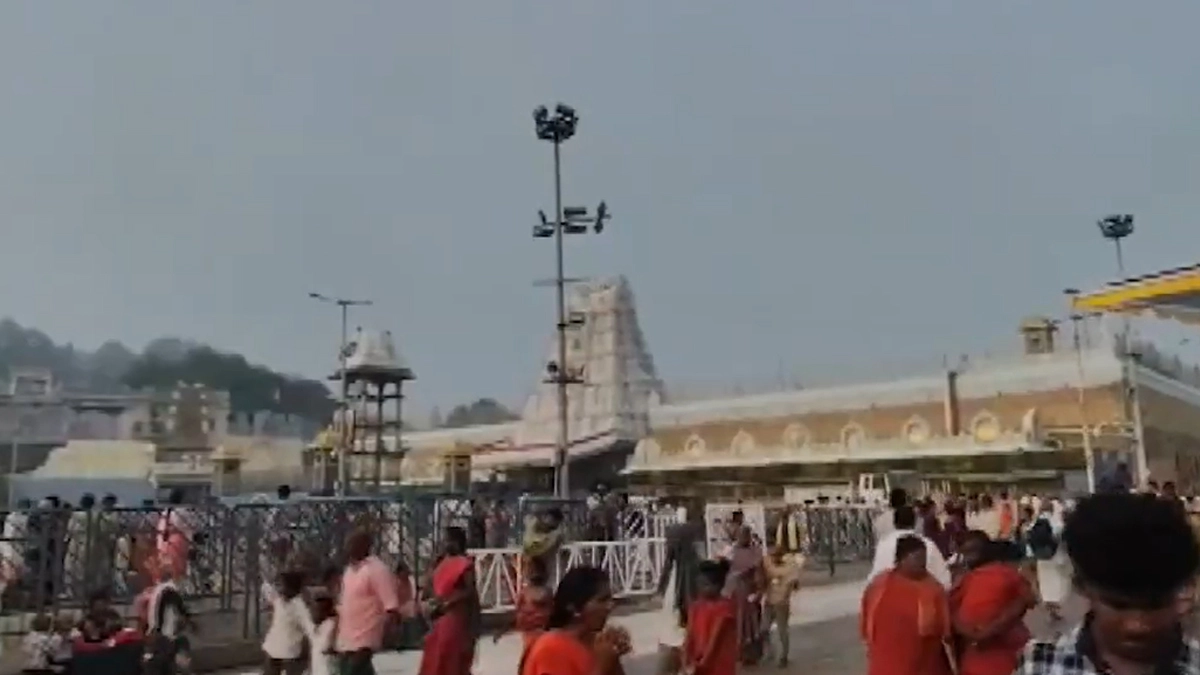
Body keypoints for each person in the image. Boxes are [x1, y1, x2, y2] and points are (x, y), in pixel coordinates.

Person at [1015, 492, 1200, 674]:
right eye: (1118, 605)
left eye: (1154, 605)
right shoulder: (1041, 665)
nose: (1137, 626)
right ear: (1082, 586)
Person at [860, 534, 953, 675]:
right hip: (885, 662)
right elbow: (866, 617)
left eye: (924, 559)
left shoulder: (933, 588)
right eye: (917, 559)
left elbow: (945, 630)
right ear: (900, 559)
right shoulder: (879, 585)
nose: (922, 563)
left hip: (923, 664)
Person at [950, 530, 1035, 675]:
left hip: (999, 653)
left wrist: (987, 631)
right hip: (985, 655)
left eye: (973, 551)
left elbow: (1028, 600)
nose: (969, 558)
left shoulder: (1005, 574)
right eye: (966, 553)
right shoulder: (965, 579)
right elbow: (951, 614)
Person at [519, 565, 628, 675]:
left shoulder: (593, 644)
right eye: (602, 600)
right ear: (574, 608)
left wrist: (613, 657)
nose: (610, 606)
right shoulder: (552, 648)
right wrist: (603, 664)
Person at [336, 529, 403, 675]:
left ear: (366, 545)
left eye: (352, 543)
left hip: (366, 639)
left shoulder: (377, 570)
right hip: (347, 640)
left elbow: (391, 607)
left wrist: (388, 635)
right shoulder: (348, 571)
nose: (348, 547)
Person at [419, 526, 481, 675]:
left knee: (451, 662)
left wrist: (450, 601)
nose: (445, 544)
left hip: (455, 619)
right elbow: (429, 589)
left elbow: (470, 592)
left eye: (448, 540)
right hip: (438, 619)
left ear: (457, 542)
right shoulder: (440, 563)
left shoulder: (465, 564)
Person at [655, 507, 703, 674]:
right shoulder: (697, 530)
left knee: (674, 626)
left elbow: (668, 561)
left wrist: (661, 587)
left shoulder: (673, 532)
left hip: (678, 580)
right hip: (693, 579)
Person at [870, 505, 951, 588]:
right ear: (915, 522)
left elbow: (874, 578)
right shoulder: (927, 544)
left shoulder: (883, 544)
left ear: (894, 523)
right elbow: (944, 580)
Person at [684, 560, 737, 675]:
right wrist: (685, 660)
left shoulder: (725, 607)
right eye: (699, 584)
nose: (700, 589)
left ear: (718, 586)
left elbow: (715, 639)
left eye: (705, 585)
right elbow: (689, 636)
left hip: (718, 663)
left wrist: (702, 664)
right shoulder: (696, 607)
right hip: (699, 661)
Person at [723, 525, 765, 665]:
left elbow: (759, 573)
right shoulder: (731, 551)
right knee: (738, 624)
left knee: (752, 625)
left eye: (745, 535)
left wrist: (758, 591)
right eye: (741, 535)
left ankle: (752, 654)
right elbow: (725, 571)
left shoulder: (755, 551)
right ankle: (739, 653)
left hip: (749, 593)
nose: (743, 538)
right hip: (736, 594)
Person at [261, 570, 316, 675]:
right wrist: (264, 581)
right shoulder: (279, 601)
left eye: (283, 585)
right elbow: (269, 593)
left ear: (292, 588)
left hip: (289, 654)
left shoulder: (299, 606)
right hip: (273, 649)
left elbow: (310, 628)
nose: (280, 589)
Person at [496, 555, 552, 653]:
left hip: (532, 633)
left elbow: (516, 615)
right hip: (540, 633)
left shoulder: (525, 593)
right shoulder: (547, 593)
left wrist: (503, 630)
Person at [1027, 499, 1069, 623]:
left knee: (1046, 585)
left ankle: (1051, 611)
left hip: (1041, 558)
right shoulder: (1056, 522)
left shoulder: (1035, 523)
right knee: (1057, 584)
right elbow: (1061, 537)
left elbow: (1029, 539)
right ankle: (1054, 610)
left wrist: (1032, 555)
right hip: (1055, 557)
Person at [762, 544, 800, 667]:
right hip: (769, 601)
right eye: (772, 555)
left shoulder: (789, 567)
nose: (774, 558)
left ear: (781, 556)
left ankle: (784, 656)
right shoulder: (768, 564)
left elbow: (795, 584)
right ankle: (770, 652)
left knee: (782, 630)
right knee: (764, 629)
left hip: (781, 603)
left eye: (777, 555)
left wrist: (790, 587)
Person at [310, 594, 338, 675]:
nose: (314, 612)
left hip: (328, 669)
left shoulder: (332, 624)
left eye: (318, 609)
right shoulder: (318, 625)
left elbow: (329, 646)